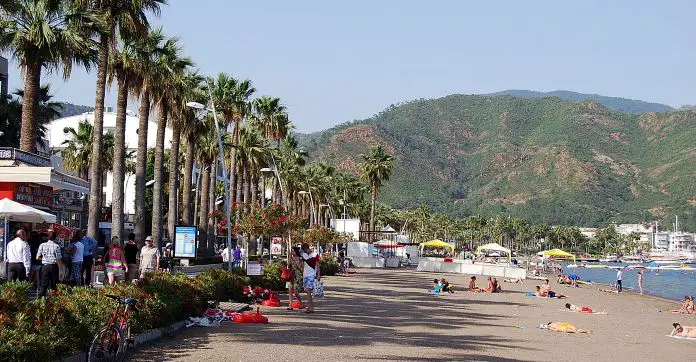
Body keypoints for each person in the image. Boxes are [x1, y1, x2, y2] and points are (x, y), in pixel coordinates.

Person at [36, 232, 63, 297]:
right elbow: (58, 259)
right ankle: (53, 299)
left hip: (45, 266)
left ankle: (40, 299)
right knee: (54, 284)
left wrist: (44, 259)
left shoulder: (42, 245)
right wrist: (61, 269)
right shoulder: (56, 246)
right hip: (54, 266)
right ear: (55, 238)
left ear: (48, 237)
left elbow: (37, 257)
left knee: (44, 283)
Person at [300, 243, 320, 313]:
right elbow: (302, 265)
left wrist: (318, 275)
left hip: (312, 274)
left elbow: (317, 265)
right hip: (305, 275)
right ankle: (311, 307)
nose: (304, 251)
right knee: (307, 291)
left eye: (305, 250)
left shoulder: (315, 255)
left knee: (308, 291)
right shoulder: (304, 255)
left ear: (307, 248)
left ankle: (310, 307)